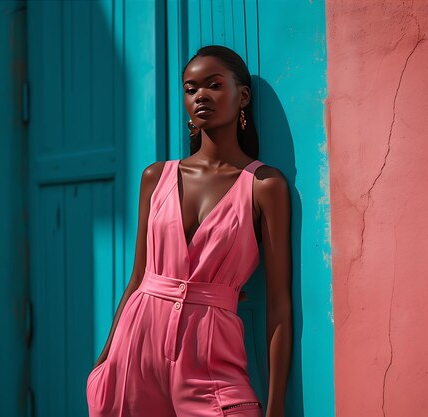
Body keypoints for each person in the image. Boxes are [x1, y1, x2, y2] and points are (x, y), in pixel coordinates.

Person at [86, 45, 292, 417]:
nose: (200, 96)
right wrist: (105, 359)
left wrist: (276, 407)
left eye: (213, 85)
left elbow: (279, 304)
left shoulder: (264, 185)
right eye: (190, 88)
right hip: (136, 351)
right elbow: (137, 279)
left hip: (211, 357)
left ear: (242, 95)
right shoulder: (155, 177)